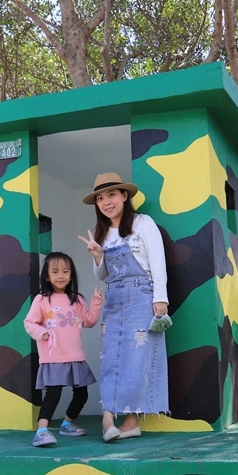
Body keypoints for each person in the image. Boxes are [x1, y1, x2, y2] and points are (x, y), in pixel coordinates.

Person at [78, 172, 169, 443]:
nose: (106, 202)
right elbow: (104, 275)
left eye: (112, 195)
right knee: (111, 358)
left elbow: (157, 262)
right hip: (115, 299)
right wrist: (97, 258)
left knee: (137, 361)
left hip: (143, 296)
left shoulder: (143, 223)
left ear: (124, 196)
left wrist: (160, 299)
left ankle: (131, 422)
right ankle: (108, 417)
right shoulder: (102, 233)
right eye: (101, 198)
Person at [23, 251, 104, 447]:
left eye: (66, 271)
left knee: (82, 394)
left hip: (76, 356)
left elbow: (89, 321)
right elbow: (29, 322)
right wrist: (41, 332)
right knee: (53, 394)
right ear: (46, 276)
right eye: (56, 271)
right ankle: (41, 431)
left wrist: (95, 304)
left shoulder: (77, 299)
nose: (61, 276)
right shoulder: (41, 300)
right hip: (53, 357)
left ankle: (67, 424)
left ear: (71, 275)